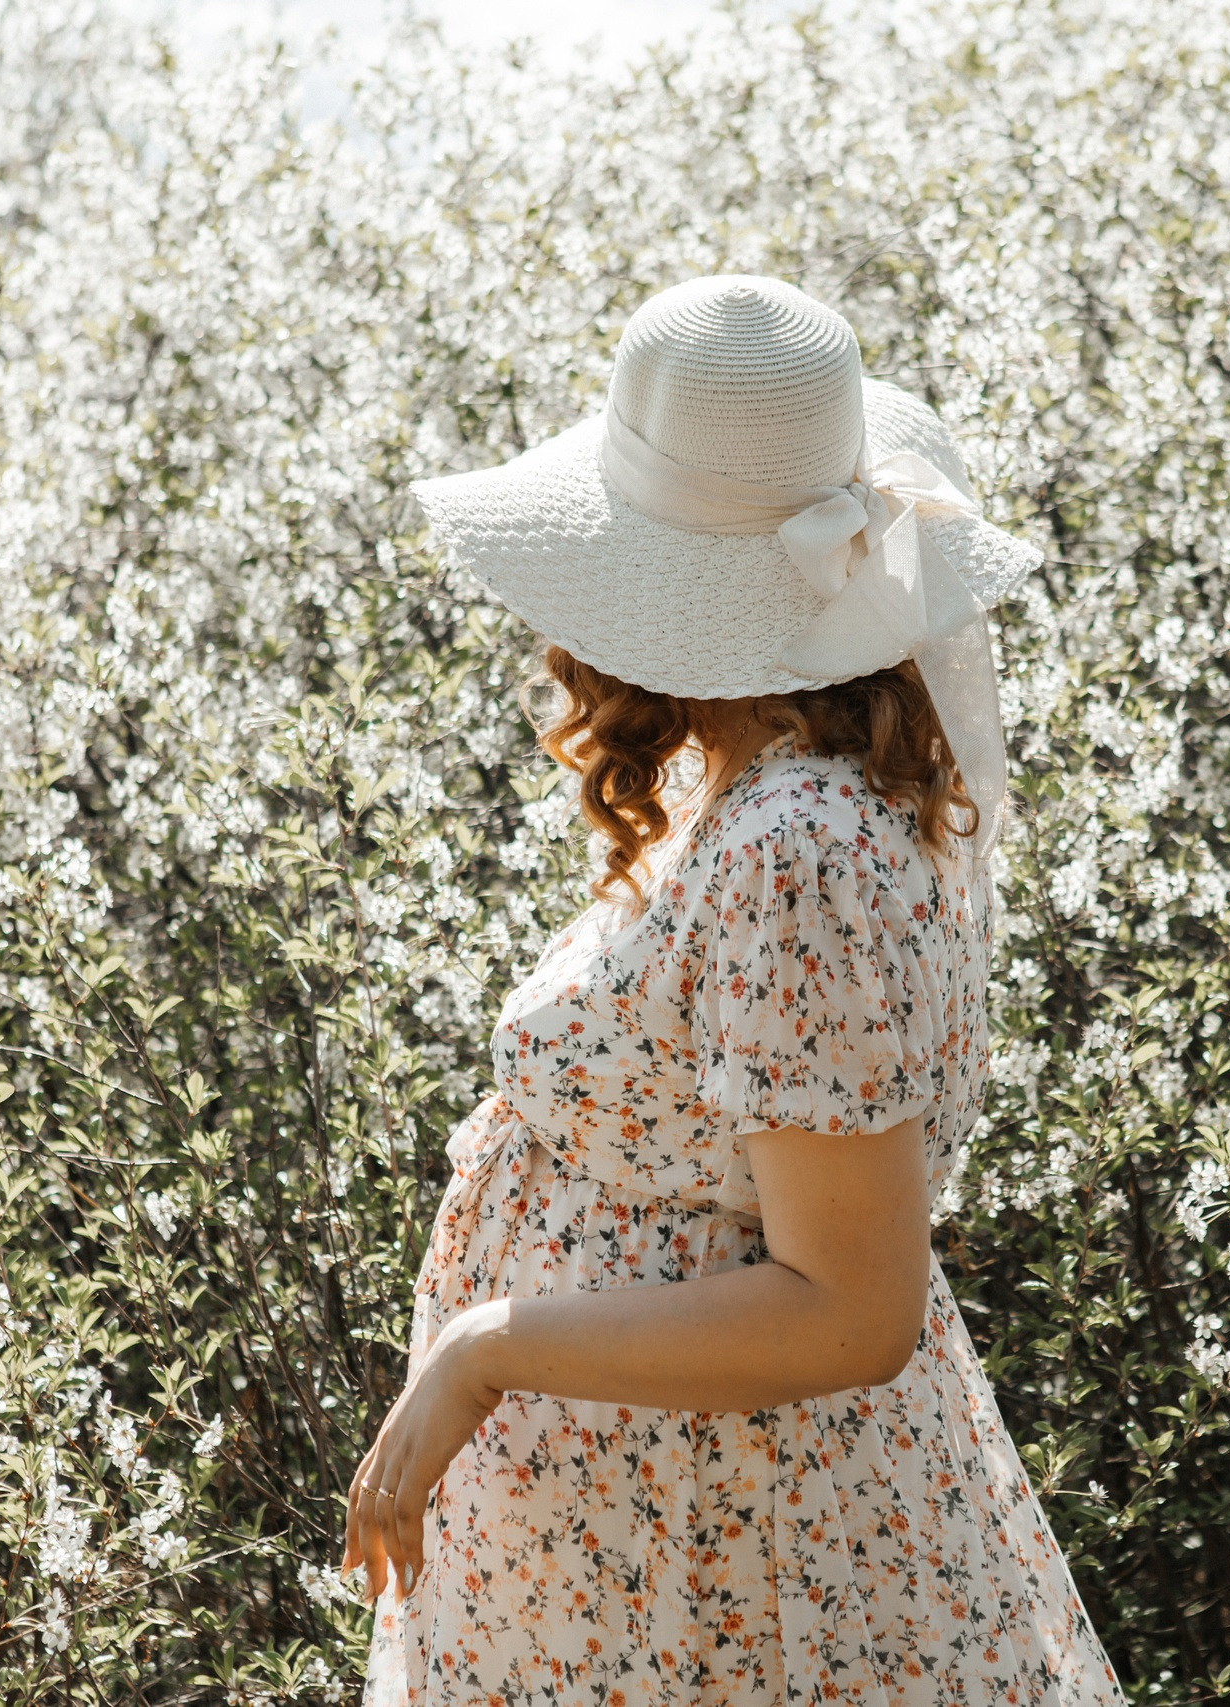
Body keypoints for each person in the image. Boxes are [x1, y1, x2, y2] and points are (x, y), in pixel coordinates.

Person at [346, 274, 1121, 1706]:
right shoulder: (772, 789)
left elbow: (848, 1306)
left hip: (716, 1559)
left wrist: (486, 1348)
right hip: (650, 1541)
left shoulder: (805, 848)